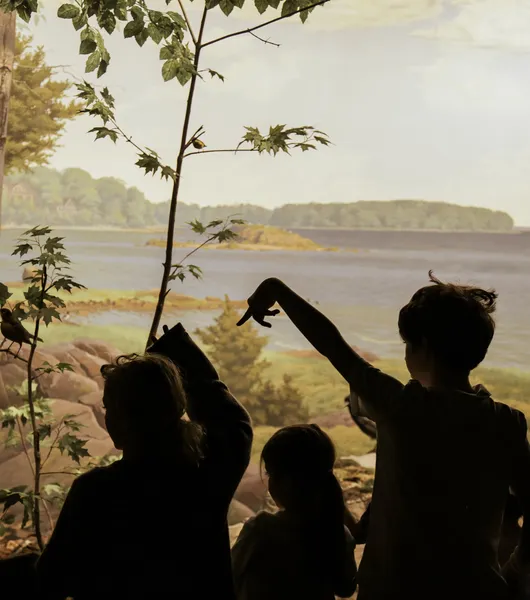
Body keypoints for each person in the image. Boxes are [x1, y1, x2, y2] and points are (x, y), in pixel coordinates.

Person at [237, 272, 530, 600]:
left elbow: (334, 347)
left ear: (423, 345)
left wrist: (275, 288)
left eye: (407, 344)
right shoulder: (507, 423)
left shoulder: (401, 406)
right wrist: (516, 570)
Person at [36, 323, 253, 600]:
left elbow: (51, 580)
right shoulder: (206, 475)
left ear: (124, 419)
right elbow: (234, 422)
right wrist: (177, 350)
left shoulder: (95, 492)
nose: (106, 416)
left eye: (109, 407)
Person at [232, 424, 357, 600]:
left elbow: (229, 577)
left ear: (285, 481)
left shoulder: (259, 531)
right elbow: (346, 589)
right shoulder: (338, 533)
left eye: (270, 473)